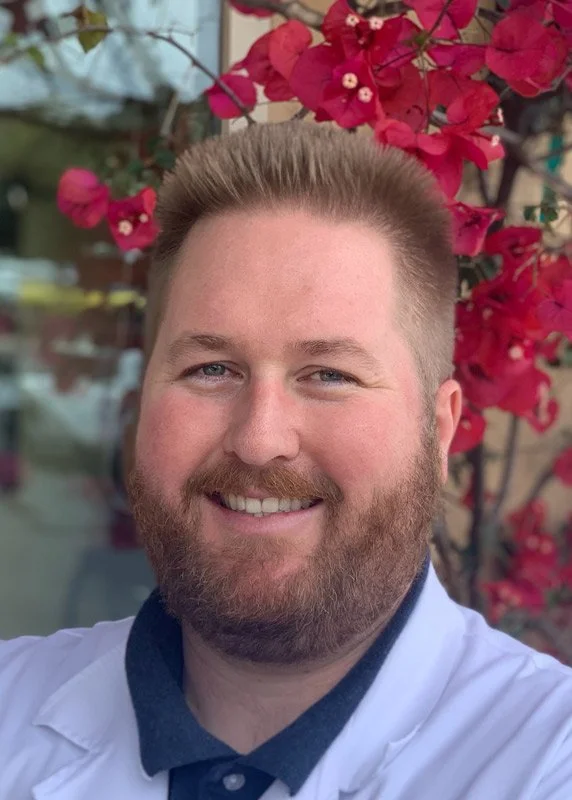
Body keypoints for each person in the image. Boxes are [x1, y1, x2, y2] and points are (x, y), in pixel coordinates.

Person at [1, 123, 571, 800]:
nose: (259, 438)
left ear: (438, 431)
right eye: (211, 368)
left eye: (329, 374)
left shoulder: (546, 762)